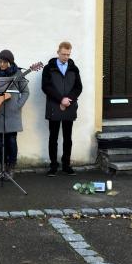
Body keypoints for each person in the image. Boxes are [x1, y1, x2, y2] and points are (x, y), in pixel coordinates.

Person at [0, 50, 30, 178]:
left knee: (11, 139)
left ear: (10, 62)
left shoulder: (18, 74)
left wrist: (18, 105)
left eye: (4, 62)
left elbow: (26, 92)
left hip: (12, 112)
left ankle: (11, 167)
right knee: (1, 141)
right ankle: (3, 167)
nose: (2, 64)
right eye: (0, 61)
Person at [42, 41, 83, 176]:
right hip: (54, 106)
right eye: (64, 54)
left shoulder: (74, 68)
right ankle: (53, 165)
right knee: (53, 137)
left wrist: (68, 99)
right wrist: (61, 99)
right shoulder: (49, 68)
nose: (66, 57)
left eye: (68, 54)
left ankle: (66, 165)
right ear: (58, 52)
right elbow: (46, 86)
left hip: (69, 106)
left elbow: (78, 87)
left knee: (67, 137)